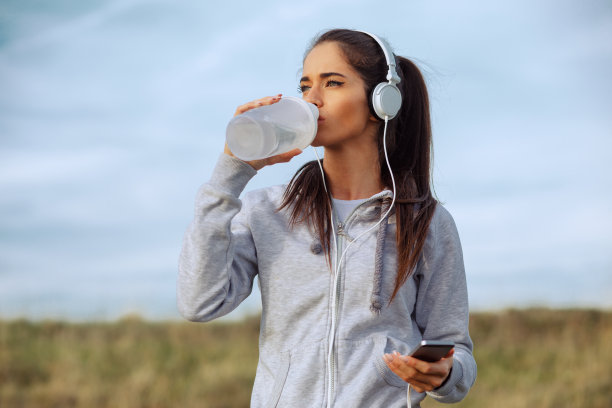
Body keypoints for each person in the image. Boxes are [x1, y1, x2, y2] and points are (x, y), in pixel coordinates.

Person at [178, 28, 476, 407]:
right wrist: (230, 172)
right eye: (304, 86)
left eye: (332, 83)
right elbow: (199, 303)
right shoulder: (266, 211)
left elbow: (456, 352)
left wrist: (446, 374)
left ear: (381, 102)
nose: (311, 99)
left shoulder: (427, 222)